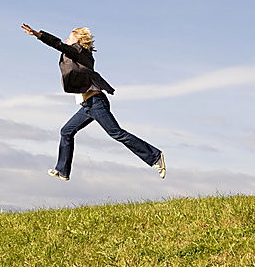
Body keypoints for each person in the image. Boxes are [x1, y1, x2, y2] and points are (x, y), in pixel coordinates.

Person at [21, 23, 165, 181]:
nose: (67, 38)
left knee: (116, 133)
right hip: (87, 106)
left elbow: (58, 44)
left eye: (70, 36)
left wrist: (39, 35)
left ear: (78, 39)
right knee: (66, 131)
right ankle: (62, 170)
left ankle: (154, 155)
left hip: (96, 103)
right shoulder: (76, 54)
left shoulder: (80, 51)